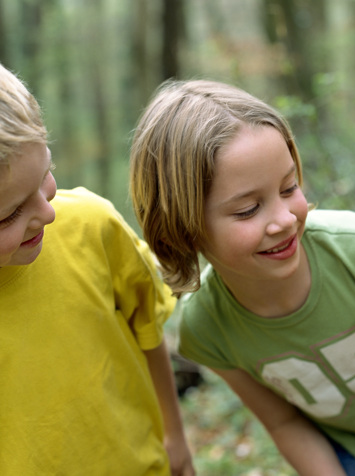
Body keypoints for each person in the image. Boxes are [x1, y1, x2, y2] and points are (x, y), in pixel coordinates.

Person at [129, 78, 355, 476]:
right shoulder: (205, 329)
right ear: (183, 227)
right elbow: (283, 422)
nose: (285, 220)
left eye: (289, 188)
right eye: (248, 209)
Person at [0, 63, 195, 475]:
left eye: (46, 175)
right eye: (10, 214)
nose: (47, 213)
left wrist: (175, 438)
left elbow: (148, 328)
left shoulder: (93, 226)